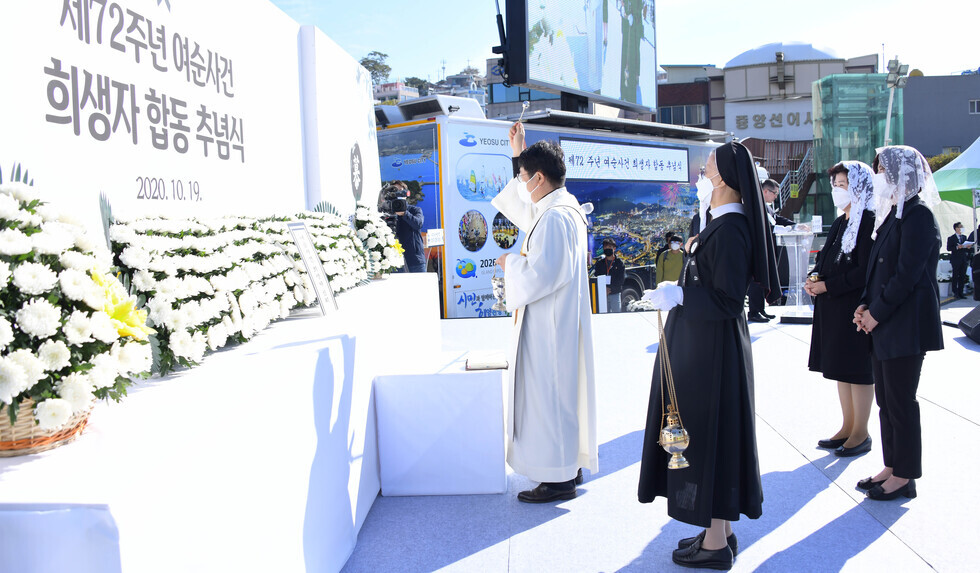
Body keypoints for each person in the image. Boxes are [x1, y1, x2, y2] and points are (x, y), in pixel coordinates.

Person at [637, 142, 780, 570]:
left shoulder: (732, 229)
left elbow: (728, 300)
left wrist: (679, 293)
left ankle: (715, 543)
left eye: (710, 165)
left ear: (722, 177)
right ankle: (719, 530)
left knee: (710, 439)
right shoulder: (722, 223)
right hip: (706, 348)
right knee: (710, 436)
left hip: (712, 354)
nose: (703, 170)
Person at [491, 121, 598, 503]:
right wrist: (518, 152)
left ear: (539, 178)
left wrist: (510, 265)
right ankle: (567, 464)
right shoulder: (557, 205)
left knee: (549, 396)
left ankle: (558, 480)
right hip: (557, 321)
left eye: (524, 176)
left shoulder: (555, 216)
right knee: (559, 395)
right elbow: (525, 207)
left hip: (550, 325)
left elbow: (544, 272)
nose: (521, 183)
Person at [853, 145, 943, 501]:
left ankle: (905, 475)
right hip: (885, 323)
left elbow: (907, 275)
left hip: (905, 324)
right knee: (886, 401)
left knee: (901, 401)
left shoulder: (918, 215)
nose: (878, 178)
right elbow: (877, 271)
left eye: (883, 170)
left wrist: (876, 312)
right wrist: (864, 305)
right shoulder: (892, 215)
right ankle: (892, 466)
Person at [805, 162, 876, 457]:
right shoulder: (840, 222)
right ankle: (847, 426)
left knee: (858, 370)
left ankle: (861, 432)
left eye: (843, 184)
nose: (836, 190)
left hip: (852, 307)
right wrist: (814, 277)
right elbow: (826, 259)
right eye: (834, 184)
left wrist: (828, 286)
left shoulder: (869, 220)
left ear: (859, 187)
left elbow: (864, 270)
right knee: (840, 370)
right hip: (831, 308)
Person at [746, 179, 793, 322]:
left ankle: (760, 309)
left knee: (762, 280)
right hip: (756, 249)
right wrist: (785, 229)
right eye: (774, 193)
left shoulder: (767, 207)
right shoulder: (756, 204)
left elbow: (776, 219)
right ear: (765, 191)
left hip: (765, 249)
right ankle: (754, 311)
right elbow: (766, 226)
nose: (775, 197)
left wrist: (794, 225)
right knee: (756, 281)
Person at [391, 181, 425, 273]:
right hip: (395, 260)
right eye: (395, 191)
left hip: (415, 259)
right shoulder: (387, 212)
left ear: (406, 194)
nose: (398, 193)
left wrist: (405, 214)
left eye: (400, 191)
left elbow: (418, 224)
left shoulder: (415, 210)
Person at [593, 237, 626, 312]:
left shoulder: (619, 263)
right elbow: (596, 276)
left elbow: (621, 279)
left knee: (616, 316)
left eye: (610, 247)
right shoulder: (600, 263)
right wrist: (604, 288)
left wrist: (610, 289)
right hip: (602, 294)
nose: (607, 249)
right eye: (605, 247)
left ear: (614, 248)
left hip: (615, 293)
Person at [947, 222, 970, 299]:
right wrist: (957, 247)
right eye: (960, 226)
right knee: (955, 276)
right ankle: (955, 292)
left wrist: (968, 247)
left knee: (962, 276)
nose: (962, 228)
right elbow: (949, 248)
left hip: (963, 259)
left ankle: (961, 292)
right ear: (956, 228)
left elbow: (966, 246)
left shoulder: (964, 237)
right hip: (956, 259)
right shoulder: (951, 238)